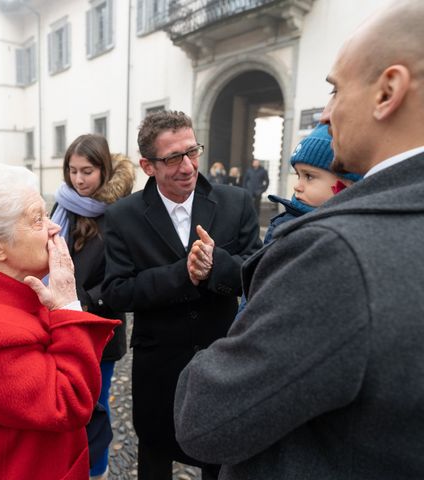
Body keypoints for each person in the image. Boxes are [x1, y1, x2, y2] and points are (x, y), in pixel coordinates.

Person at [174, 2, 424, 478]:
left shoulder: (338, 253)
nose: (325, 113)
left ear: (388, 90)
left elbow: (203, 419)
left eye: (334, 90)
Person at [0, 164, 120, 480]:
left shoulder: (13, 295)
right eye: (37, 219)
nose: (54, 228)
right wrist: (68, 304)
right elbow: (69, 403)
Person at [102, 110, 261, 479]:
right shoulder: (122, 216)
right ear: (147, 165)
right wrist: (182, 275)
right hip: (158, 367)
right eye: (173, 158)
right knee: (155, 455)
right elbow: (116, 292)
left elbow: (255, 271)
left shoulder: (236, 202)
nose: (188, 166)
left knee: (219, 461)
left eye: (193, 151)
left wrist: (214, 267)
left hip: (222, 360)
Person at [51, 134, 135, 479]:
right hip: (58, 328)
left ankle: (96, 471)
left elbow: (124, 277)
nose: (78, 179)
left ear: (104, 170)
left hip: (100, 333)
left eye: (87, 171)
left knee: (94, 409)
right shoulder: (60, 206)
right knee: (64, 410)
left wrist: (72, 299)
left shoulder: (121, 214)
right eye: (72, 170)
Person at [262, 123, 361, 244]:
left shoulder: (360, 226)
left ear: (348, 183)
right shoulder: (285, 228)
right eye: (298, 175)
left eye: (309, 176)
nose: (297, 186)